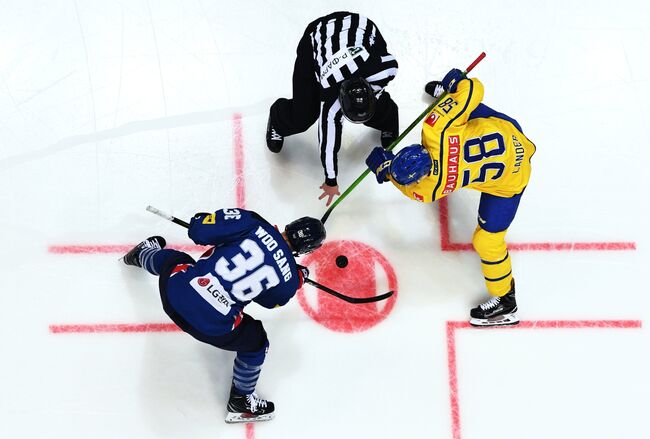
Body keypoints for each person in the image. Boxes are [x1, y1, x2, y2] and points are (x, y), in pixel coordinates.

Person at [366, 69, 536, 327]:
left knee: (487, 241)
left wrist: (385, 169)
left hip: (511, 180)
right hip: (511, 134)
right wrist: (459, 84)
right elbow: (475, 89)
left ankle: (507, 301)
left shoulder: (430, 187)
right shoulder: (437, 129)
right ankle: (450, 99)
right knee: (465, 108)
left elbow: (404, 185)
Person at [122, 208, 326, 422]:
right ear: (306, 250)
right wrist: (296, 278)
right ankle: (241, 399)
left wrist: (200, 220)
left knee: (175, 260)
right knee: (256, 342)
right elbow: (270, 302)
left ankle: (141, 254)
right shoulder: (289, 280)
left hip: (175, 294)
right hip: (212, 328)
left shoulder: (252, 223)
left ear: (291, 224)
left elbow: (199, 231)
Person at [267, 11, 399, 206]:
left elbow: (388, 62)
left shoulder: (385, 70)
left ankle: (388, 119)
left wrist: (375, 95)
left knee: (374, 109)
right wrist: (331, 180)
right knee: (304, 114)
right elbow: (328, 144)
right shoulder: (331, 102)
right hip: (316, 37)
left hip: (360, 26)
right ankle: (278, 119)